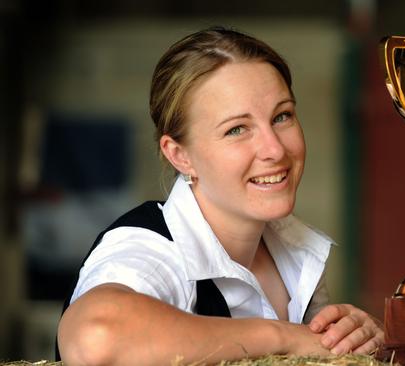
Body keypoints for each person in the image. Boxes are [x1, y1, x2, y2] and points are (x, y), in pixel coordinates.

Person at [56, 25, 384, 365]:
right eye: (236, 129)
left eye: (282, 116)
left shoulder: (290, 247)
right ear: (180, 155)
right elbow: (96, 338)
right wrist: (282, 337)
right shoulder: (151, 249)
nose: (274, 149)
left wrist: (363, 337)